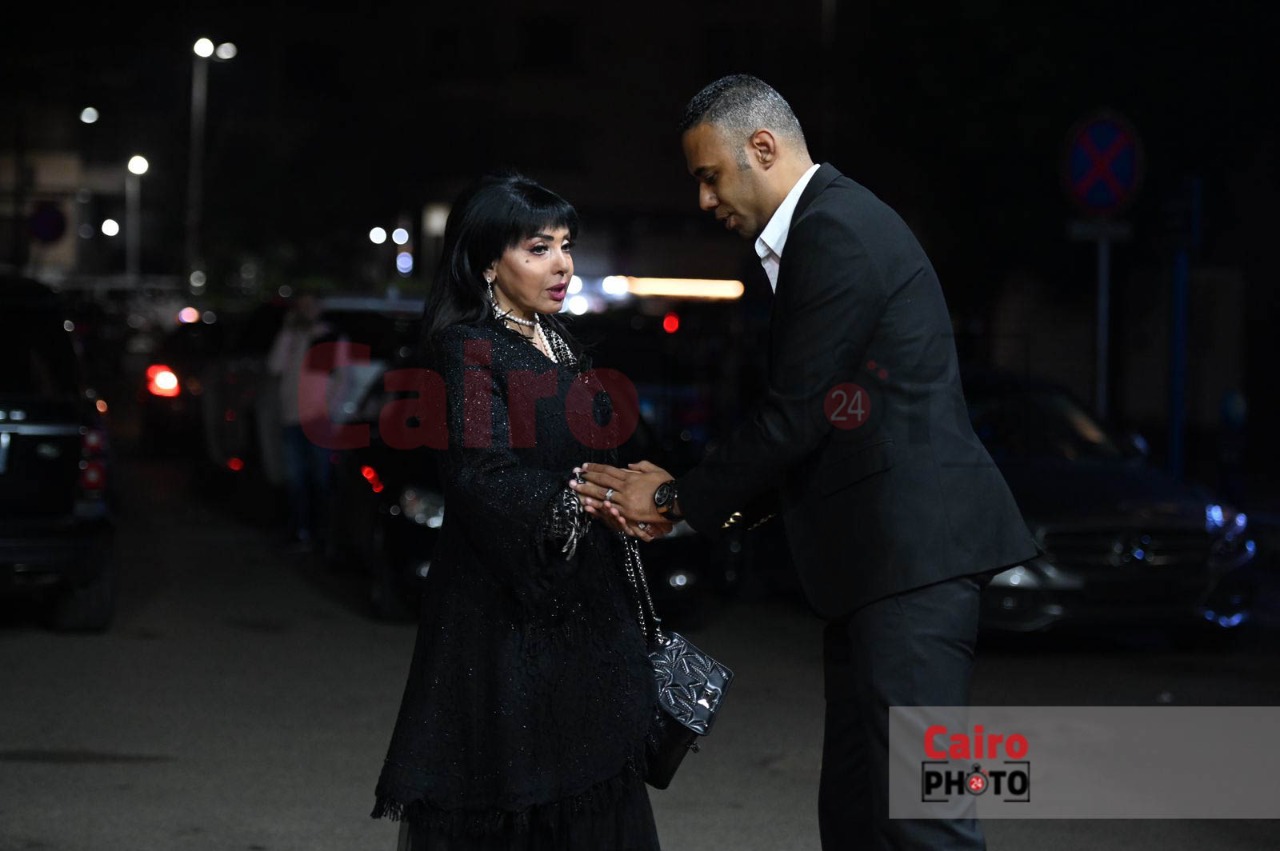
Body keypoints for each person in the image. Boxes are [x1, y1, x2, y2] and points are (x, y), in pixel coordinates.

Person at [571, 74, 1039, 850]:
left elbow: (794, 415)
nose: (702, 201)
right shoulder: (829, 227)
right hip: (878, 569)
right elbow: (827, 421)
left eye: (709, 176)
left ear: (762, 147)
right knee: (858, 817)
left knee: (925, 820)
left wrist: (678, 498)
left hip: (911, 563)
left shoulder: (836, 230)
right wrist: (690, 502)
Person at [370, 172, 666, 851]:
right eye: (538, 248)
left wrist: (624, 495)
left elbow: (592, 452)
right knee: (524, 803)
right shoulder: (466, 349)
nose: (562, 264)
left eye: (565, 244)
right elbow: (481, 478)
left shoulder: (558, 339)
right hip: (505, 622)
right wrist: (583, 497)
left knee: (594, 795)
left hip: (585, 614)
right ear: (486, 263)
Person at [266, 292, 333, 550]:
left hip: (319, 419)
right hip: (292, 417)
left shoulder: (328, 336)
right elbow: (274, 366)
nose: (305, 311)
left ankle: (322, 533)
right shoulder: (291, 336)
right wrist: (288, 333)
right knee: (295, 479)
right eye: (301, 306)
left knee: (321, 479)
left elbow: (342, 377)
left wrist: (332, 409)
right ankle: (299, 530)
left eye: (310, 305)